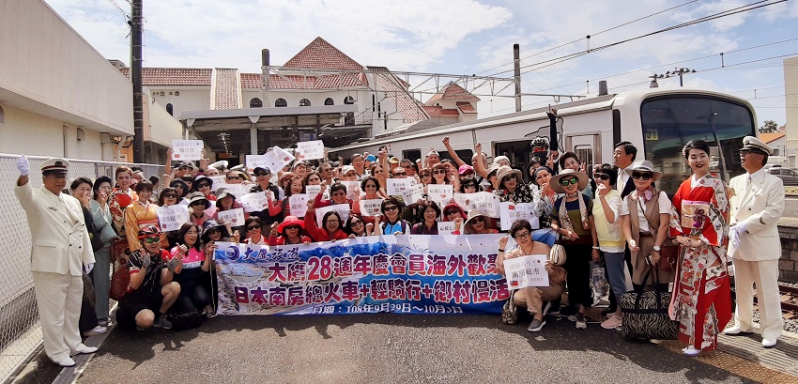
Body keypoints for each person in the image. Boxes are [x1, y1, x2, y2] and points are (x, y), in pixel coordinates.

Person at [14, 157, 97, 367]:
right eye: (55, 176)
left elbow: (81, 231)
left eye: (63, 176)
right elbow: (22, 194)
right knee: (53, 313)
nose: (60, 180)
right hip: (49, 265)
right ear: (44, 178)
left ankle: (73, 343)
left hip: (73, 262)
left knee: (72, 308)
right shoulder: (35, 197)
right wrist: (24, 175)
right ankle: (56, 351)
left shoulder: (71, 200)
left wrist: (88, 257)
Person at [669, 140, 733, 355]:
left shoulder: (717, 185)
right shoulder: (685, 185)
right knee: (688, 294)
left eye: (702, 155)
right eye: (693, 156)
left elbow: (721, 217)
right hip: (688, 248)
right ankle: (691, 338)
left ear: (709, 158)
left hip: (707, 250)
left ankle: (702, 342)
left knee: (704, 294)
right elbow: (674, 212)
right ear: (687, 160)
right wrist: (678, 235)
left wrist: (702, 239)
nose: (698, 160)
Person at [725, 136, 785, 349]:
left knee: (766, 290)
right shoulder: (736, 181)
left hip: (761, 244)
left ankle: (771, 330)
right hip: (740, 243)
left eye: (746, 152)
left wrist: (745, 225)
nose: (741, 155)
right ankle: (743, 323)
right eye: (742, 152)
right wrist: (733, 226)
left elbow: (774, 211)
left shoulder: (774, 183)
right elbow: (731, 209)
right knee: (741, 287)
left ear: (760, 157)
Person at [549, 169, 597, 329]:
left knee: (583, 278)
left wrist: (595, 247)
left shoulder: (587, 200)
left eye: (572, 181)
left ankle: (583, 309)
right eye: (565, 182)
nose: (569, 185)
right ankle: (575, 306)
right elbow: (553, 223)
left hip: (585, 245)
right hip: (568, 246)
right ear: (561, 185)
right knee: (571, 279)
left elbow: (593, 227)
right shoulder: (559, 203)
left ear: (578, 183)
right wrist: (565, 232)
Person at [496, 220, 563, 332]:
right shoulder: (515, 253)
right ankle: (543, 304)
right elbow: (500, 267)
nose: (523, 238)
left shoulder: (543, 248)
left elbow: (561, 274)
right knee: (517, 298)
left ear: (530, 234)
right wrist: (501, 248)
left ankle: (538, 316)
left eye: (525, 234)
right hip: (531, 289)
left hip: (552, 286)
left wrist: (550, 270)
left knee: (530, 282)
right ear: (515, 239)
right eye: (518, 236)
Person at [620, 160, 674, 290]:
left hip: (659, 241)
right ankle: (646, 310)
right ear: (633, 177)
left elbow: (664, 225)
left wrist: (656, 249)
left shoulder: (661, 196)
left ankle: (661, 310)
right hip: (639, 244)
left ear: (651, 179)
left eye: (646, 176)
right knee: (641, 282)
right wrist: (630, 240)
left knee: (660, 282)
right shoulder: (628, 199)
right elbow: (625, 224)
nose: (641, 179)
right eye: (637, 175)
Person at [117, 225, 181, 331]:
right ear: (142, 243)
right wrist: (144, 267)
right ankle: (139, 319)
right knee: (146, 321)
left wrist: (170, 270)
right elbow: (134, 285)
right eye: (150, 240)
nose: (154, 243)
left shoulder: (162, 254)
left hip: (153, 293)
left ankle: (159, 317)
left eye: (156, 239)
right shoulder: (136, 256)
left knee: (175, 287)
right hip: (136, 297)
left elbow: (164, 282)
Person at [590, 164, 626, 330]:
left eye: (604, 177)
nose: (599, 180)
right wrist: (595, 246)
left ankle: (621, 315)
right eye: (597, 176)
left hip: (615, 245)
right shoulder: (598, 194)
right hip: (604, 244)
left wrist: (603, 197)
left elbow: (611, 218)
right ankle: (619, 311)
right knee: (612, 281)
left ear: (611, 180)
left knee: (617, 282)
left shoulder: (614, 196)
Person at [168, 223, 213, 316]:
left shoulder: (200, 250)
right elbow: (177, 271)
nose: (193, 235)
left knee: (203, 300)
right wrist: (180, 256)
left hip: (196, 284)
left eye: (195, 232)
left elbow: (204, 269)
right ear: (183, 234)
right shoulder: (175, 250)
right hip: (181, 287)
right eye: (190, 232)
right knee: (191, 312)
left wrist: (208, 254)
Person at [89, 176, 116, 327]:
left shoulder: (106, 204)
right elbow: (99, 224)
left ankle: (102, 314)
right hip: (96, 248)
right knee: (98, 282)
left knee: (104, 281)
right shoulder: (92, 204)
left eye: (108, 187)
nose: (106, 190)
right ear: (96, 190)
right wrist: (102, 203)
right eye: (103, 187)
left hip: (105, 248)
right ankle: (99, 316)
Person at [124, 181, 162, 253]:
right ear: (138, 192)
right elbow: (132, 229)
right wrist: (139, 247)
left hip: (155, 242)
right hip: (142, 241)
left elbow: (161, 226)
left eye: (148, 191)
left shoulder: (156, 207)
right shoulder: (131, 208)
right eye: (142, 191)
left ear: (151, 192)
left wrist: (160, 244)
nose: (145, 194)